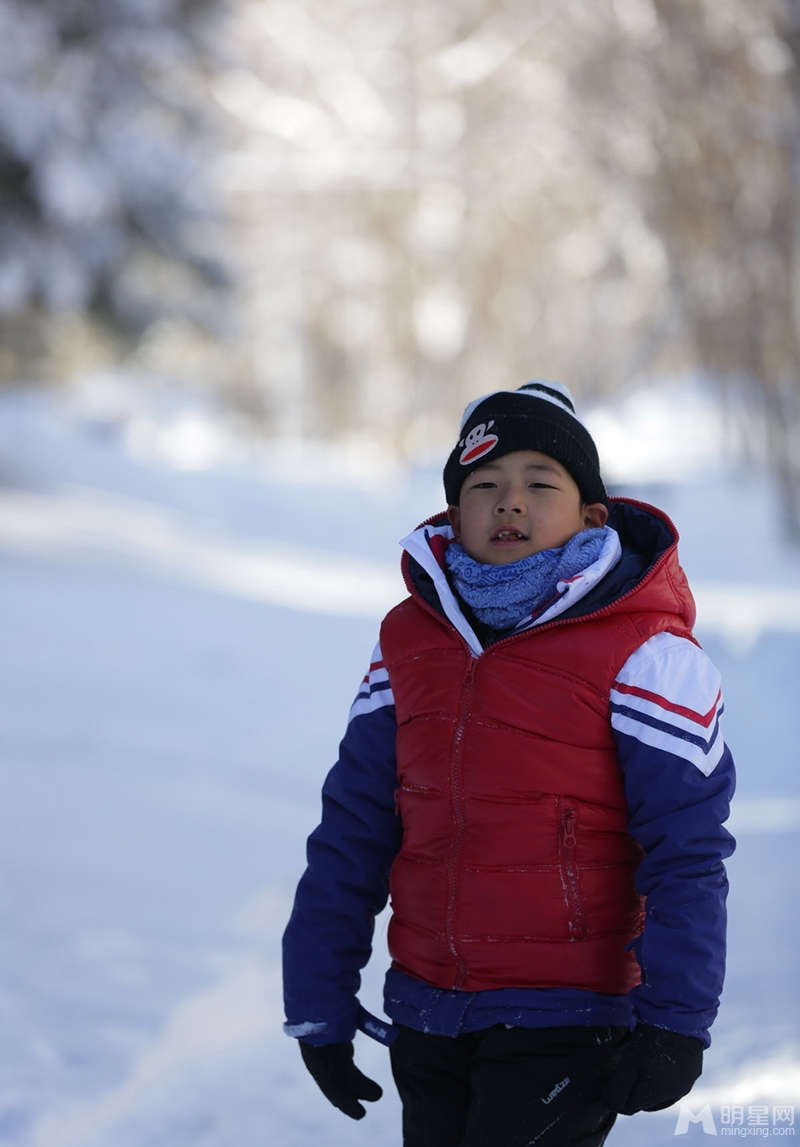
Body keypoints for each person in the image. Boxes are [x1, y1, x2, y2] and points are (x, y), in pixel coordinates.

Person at [282, 381, 735, 1147]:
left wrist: (676, 1021)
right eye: (484, 486)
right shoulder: (409, 641)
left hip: (568, 1014)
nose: (509, 503)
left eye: (539, 483)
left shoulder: (646, 653)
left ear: (592, 513)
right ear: (456, 512)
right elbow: (354, 824)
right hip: (429, 1007)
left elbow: (687, 852)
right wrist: (318, 994)